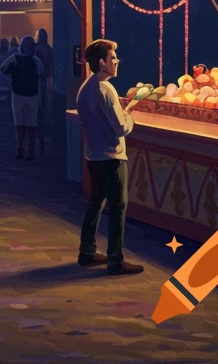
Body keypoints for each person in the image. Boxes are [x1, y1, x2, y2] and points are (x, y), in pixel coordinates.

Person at [76, 39, 142, 275]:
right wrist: (130, 114)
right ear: (102, 62)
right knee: (118, 207)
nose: (116, 62)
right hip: (112, 156)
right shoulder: (107, 89)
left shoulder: (86, 87)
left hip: (93, 154)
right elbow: (120, 128)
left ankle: (87, 251)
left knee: (95, 204)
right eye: (113, 58)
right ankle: (115, 258)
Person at [0, 35, 44, 160]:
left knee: (20, 122)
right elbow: (41, 74)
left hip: (19, 93)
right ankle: (29, 149)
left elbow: (3, 69)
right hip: (31, 93)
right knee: (31, 122)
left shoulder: (15, 58)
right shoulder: (35, 60)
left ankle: (21, 148)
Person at [35, 28, 54, 154]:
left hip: (39, 79)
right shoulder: (49, 49)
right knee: (44, 105)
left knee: (40, 106)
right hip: (46, 79)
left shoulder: (37, 49)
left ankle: (40, 133)